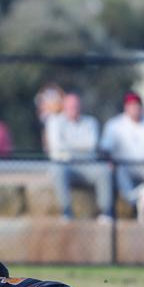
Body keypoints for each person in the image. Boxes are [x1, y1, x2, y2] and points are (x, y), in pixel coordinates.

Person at [45, 93, 113, 222]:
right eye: (70, 106)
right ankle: (66, 211)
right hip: (66, 165)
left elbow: (91, 145)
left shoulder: (90, 122)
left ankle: (106, 211)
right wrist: (79, 148)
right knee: (57, 170)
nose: (73, 109)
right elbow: (57, 147)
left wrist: (69, 147)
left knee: (104, 171)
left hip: (87, 165)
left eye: (76, 106)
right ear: (64, 107)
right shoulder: (54, 122)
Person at [100, 92, 144, 208]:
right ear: (126, 107)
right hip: (125, 166)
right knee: (119, 171)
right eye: (131, 105)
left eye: (137, 105)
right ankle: (135, 204)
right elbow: (105, 148)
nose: (135, 108)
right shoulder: (115, 125)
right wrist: (109, 161)